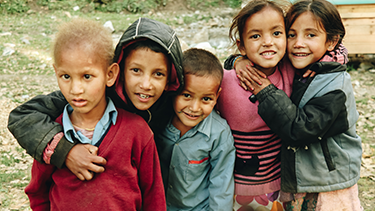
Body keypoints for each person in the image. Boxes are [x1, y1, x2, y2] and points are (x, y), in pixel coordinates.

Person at [7, 17, 184, 181]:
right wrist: (66, 151)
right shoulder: (93, 96)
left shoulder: (176, 103)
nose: (146, 84)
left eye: (158, 74)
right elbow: (22, 117)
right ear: (117, 72)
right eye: (136, 70)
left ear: (171, 80)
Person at [25, 18, 165, 210]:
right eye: (66, 76)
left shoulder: (138, 132)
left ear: (110, 75)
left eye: (87, 76)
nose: (75, 89)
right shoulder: (51, 136)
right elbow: (38, 193)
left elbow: (153, 198)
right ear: (56, 72)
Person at [235, 0, 362, 210]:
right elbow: (259, 53)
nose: (298, 43)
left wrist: (264, 90)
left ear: (331, 42)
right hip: (301, 179)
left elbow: (300, 128)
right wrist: (239, 61)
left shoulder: (335, 87)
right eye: (291, 34)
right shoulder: (298, 66)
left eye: (310, 35)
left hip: (329, 185)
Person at [215, 0, 293, 210]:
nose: (268, 42)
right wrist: (236, 61)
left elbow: (325, 54)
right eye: (255, 36)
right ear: (241, 45)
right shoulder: (225, 81)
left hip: (276, 189)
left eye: (276, 33)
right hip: (231, 189)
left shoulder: (290, 73)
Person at [157, 48, 236, 210]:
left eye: (206, 99)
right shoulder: (158, 120)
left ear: (217, 96)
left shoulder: (218, 133)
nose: (194, 108)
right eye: (186, 95)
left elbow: (221, 183)